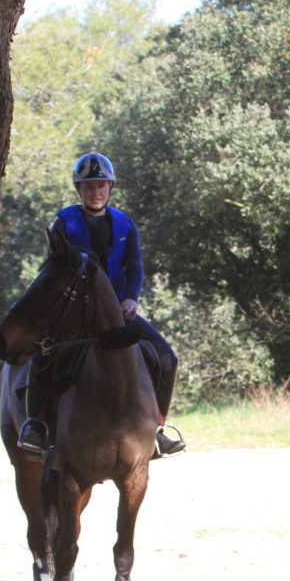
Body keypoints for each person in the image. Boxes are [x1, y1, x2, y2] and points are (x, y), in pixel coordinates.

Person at [17, 152, 187, 457]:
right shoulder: (63, 225)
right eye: (89, 186)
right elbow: (54, 270)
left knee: (167, 358)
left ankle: (158, 428)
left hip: (118, 313)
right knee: (42, 357)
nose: (96, 192)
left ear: (110, 188)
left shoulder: (126, 224)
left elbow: (135, 266)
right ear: (79, 190)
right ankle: (36, 425)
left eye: (101, 186)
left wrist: (131, 297)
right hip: (75, 314)